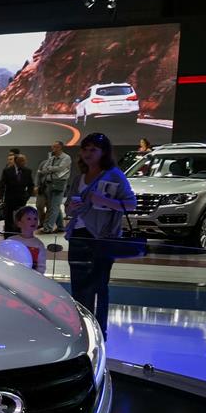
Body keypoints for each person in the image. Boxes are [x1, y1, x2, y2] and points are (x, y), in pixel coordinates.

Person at [64, 132, 137, 338]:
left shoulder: (113, 175)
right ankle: (82, 330)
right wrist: (71, 207)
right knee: (78, 287)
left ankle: (98, 332)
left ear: (104, 152)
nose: (88, 154)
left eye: (93, 150)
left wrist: (105, 201)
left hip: (101, 238)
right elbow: (68, 209)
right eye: (85, 149)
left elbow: (131, 204)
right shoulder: (79, 178)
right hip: (78, 235)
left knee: (98, 287)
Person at [37, 141, 73, 234]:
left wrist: (50, 168)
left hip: (59, 184)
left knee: (53, 207)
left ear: (60, 147)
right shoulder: (51, 158)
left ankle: (47, 228)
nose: (53, 149)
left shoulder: (66, 158)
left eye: (55, 147)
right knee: (53, 206)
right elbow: (44, 169)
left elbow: (61, 168)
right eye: (52, 147)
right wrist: (52, 168)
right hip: (49, 184)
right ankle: (60, 227)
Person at [0, 153, 33, 236]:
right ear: (16, 161)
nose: (24, 162)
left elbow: (31, 185)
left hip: (21, 198)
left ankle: (19, 234)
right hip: (9, 198)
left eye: (24, 160)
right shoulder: (7, 171)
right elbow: (2, 184)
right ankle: (8, 235)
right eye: (21, 161)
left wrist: (27, 195)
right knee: (8, 218)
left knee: (20, 217)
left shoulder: (28, 171)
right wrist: (0, 197)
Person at [11, 205, 47, 274]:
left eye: (35, 219)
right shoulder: (12, 241)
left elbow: (41, 266)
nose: (33, 221)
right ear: (19, 223)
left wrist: (36, 276)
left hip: (31, 277)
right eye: (29, 219)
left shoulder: (39, 244)